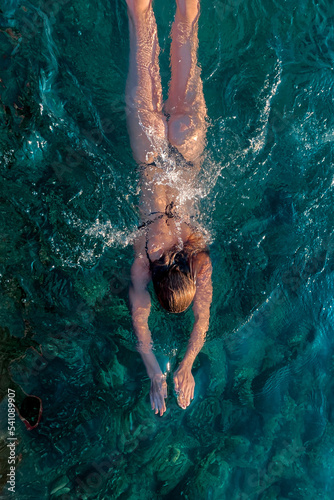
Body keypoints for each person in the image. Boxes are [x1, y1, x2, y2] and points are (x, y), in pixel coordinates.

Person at [126, 0, 212, 416]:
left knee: (186, 37)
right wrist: (152, 372)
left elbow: (202, 320)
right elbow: (139, 319)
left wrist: (188, 363)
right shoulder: (145, 259)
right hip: (149, 152)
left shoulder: (198, 255)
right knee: (142, 31)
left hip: (189, 150)